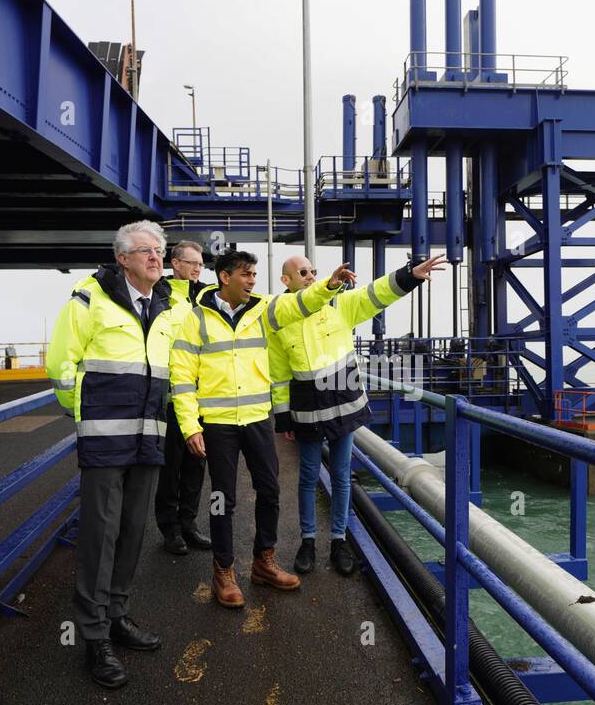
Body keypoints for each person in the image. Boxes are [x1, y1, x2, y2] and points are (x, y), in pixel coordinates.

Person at [46, 220, 188, 689]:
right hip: (105, 437)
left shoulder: (166, 305)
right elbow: (61, 364)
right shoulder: (89, 299)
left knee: (132, 531)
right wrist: (84, 416)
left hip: (149, 436)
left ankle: (118, 616)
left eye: (160, 251)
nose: (155, 257)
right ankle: (93, 635)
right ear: (122, 258)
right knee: (99, 536)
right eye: (145, 251)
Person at [170, 249, 355, 608]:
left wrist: (329, 286)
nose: (253, 280)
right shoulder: (196, 320)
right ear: (225, 277)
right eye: (246, 274)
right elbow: (181, 376)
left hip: (256, 417)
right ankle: (224, 570)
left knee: (270, 491)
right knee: (223, 498)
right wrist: (190, 426)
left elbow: (298, 305)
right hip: (218, 423)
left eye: (255, 274)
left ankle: (263, 562)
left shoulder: (263, 309)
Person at [270, 253, 445, 575]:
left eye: (314, 271)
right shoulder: (280, 317)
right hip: (307, 408)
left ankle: (339, 541)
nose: (310, 276)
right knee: (308, 476)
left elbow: (376, 294)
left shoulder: (339, 304)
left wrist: (410, 275)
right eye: (303, 272)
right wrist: (282, 417)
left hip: (345, 405)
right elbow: (279, 373)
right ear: (286, 280)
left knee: (340, 476)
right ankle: (308, 541)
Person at [153, 240, 212, 555]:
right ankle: (170, 529)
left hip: (202, 396)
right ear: (175, 263)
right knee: (170, 467)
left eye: (201, 265)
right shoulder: (158, 296)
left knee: (196, 465)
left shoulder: (205, 296)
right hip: (171, 398)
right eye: (193, 263)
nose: (197, 269)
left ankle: (189, 524)